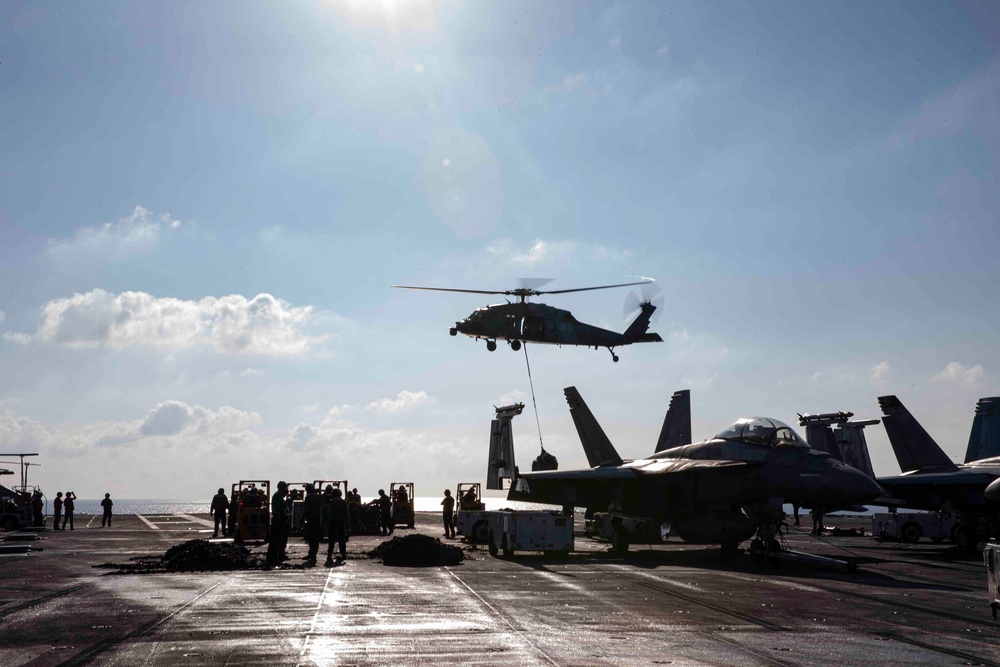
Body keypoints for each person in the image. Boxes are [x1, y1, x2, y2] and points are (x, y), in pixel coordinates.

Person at [325, 487, 349, 565]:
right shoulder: (343, 502)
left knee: (331, 539)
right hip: (341, 522)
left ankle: (329, 555)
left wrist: (328, 522)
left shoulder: (332, 502)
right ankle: (343, 554)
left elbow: (330, 513)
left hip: (333, 522)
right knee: (341, 539)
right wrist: (348, 523)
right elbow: (346, 514)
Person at [267, 481, 289, 565]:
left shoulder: (280, 497)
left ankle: (281, 554)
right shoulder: (277, 497)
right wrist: (279, 519)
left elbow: (285, 508)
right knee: (276, 538)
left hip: (282, 519)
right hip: (278, 520)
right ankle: (274, 556)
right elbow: (276, 510)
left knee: (283, 538)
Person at [301, 484, 323, 564]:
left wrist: (302, 518)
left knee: (310, 537)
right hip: (317, 519)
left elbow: (306, 510)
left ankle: (312, 554)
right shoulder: (319, 497)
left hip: (311, 519)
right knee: (315, 538)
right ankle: (313, 554)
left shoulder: (308, 498)